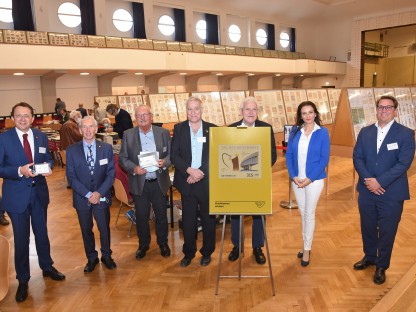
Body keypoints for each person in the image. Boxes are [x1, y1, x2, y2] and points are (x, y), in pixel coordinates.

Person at [0, 102, 65, 303]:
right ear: (12, 118)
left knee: (42, 233)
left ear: (32, 117)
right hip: (16, 196)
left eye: (26, 115)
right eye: (18, 115)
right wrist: (19, 171)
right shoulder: (3, 139)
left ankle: (47, 266)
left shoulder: (40, 136)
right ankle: (23, 279)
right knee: (21, 239)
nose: (22, 119)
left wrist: (47, 166)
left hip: (39, 194)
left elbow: (48, 159)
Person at [352, 95, 415, 285]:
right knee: (368, 227)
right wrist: (368, 181)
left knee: (387, 230)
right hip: (366, 190)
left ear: (395, 110)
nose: (384, 110)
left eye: (388, 107)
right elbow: (358, 157)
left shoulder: (405, 133)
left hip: (392, 192)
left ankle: (382, 265)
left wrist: (380, 182)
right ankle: (370, 257)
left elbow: (404, 163)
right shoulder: (365, 132)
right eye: (381, 107)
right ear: (376, 110)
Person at [227, 97, 277, 265]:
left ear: (257, 112)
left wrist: (257, 170)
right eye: (247, 109)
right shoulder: (232, 129)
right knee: (235, 214)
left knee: (259, 214)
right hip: (237, 180)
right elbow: (229, 153)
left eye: (254, 109)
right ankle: (237, 246)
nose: (250, 112)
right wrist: (237, 171)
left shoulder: (266, 128)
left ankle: (257, 247)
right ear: (241, 112)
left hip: (258, 180)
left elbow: (272, 155)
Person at [119, 105, 171, 260]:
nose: (142, 118)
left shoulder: (163, 133)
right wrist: (135, 168)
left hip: (158, 182)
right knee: (141, 216)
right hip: (139, 183)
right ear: (135, 117)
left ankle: (163, 243)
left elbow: (171, 154)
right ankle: (143, 245)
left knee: (161, 215)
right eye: (139, 115)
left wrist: (165, 162)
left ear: (151, 116)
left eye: (145, 114)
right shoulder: (128, 134)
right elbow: (123, 158)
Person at [66, 116, 117, 273]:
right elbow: (71, 177)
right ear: (80, 130)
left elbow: (110, 174)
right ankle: (92, 258)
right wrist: (88, 194)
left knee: (104, 228)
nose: (88, 130)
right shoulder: (71, 150)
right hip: (82, 198)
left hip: (102, 196)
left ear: (96, 129)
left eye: (91, 127)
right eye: (84, 127)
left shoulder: (106, 148)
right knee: (86, 229)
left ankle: (107, 256)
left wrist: (98, 193)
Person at [171, 96, 217, 267]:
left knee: (208, 220)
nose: (193, 112)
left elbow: (214, 155)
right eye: (190, 109)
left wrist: (200, 173)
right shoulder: (179, 128)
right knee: (188, 221)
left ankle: (207, 252)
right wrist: (189, 170)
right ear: (186, 111)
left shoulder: (212, 129)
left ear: (201, 109)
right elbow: (174, 155)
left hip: (206, 182)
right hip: (187, 180)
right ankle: (189, 253)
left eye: (196, 108)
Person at [285, 101, 330, 267]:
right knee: (303, 214)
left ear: (315, 114)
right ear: (300, 116)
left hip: (314, 180)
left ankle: (307, 249)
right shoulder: (295, 132)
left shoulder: (322, 132)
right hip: (297, 180)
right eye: (304, 113)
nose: (307, 116)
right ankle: (305, 243)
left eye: (310, 112)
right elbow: (289, 155)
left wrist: (309, 178)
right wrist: (293, 176)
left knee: (309, 213)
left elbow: (324, 159)